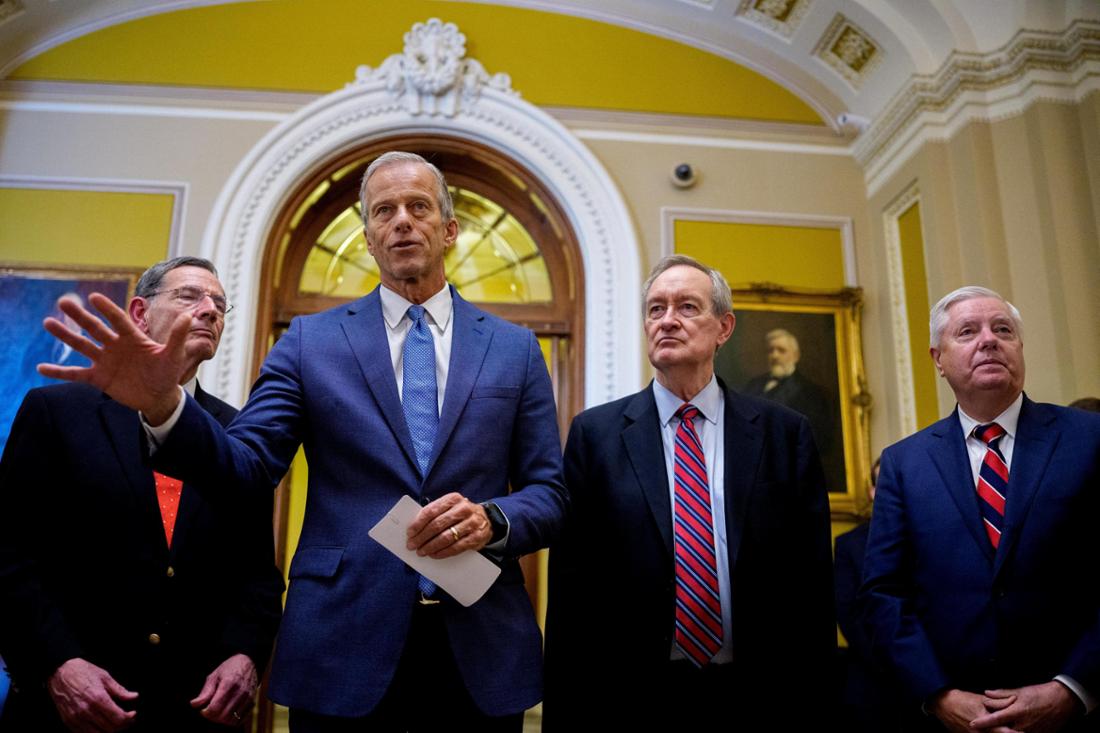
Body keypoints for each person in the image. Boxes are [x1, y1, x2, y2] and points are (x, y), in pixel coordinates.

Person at [36, 152, 566, 731]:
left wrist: (494, 519)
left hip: (480, 643)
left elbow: (550, 493)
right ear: (367, 237)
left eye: (419, 207)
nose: (402, 222)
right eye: (384, 211)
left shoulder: (515, 349)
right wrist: (163, 404)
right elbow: (245, 467)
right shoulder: (309, 342)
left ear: (450, 229)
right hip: (341, 644)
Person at [543, 254, 836, 729]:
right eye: (656, 309)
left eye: (686, 307)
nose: (667, 321)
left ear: (724, 327)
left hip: (760, 694)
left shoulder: (783, 433)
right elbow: (573, 590)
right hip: (629, 696)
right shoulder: (595, 435)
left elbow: (812, 585)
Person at [0, 256, 284, 731]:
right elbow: (9, 555)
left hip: (191, 712)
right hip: (64, 708)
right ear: (139, 313)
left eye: (219, 303)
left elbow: (257, 574)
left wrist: (246, 657)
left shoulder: (237, 432)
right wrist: (57, 664)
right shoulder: (56, 412)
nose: (210, 310)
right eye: (189, 296)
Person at [861, 285, 1100, 732]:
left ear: (1020, 349)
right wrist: (939, 695)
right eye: (967, 331)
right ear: (938, 359)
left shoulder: (1089, 439)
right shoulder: (904, 463)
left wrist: (1072, 687)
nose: (988, 340)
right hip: (954, 717)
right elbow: (884, 592)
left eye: (1002, 329)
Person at [834, 456, 901, 732]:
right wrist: (898, 664)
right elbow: (848, 614)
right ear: (873, 492)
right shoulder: (849, 545)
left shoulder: (929, 536)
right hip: (872, 680)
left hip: (933, 680)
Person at [743, 328, 840, 488]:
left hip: (790, 478)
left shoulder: (811, 393)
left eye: (781, 350)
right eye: (771, 350)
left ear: (795, 356)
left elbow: (819, 440)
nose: (774, 355)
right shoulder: (753, 386)